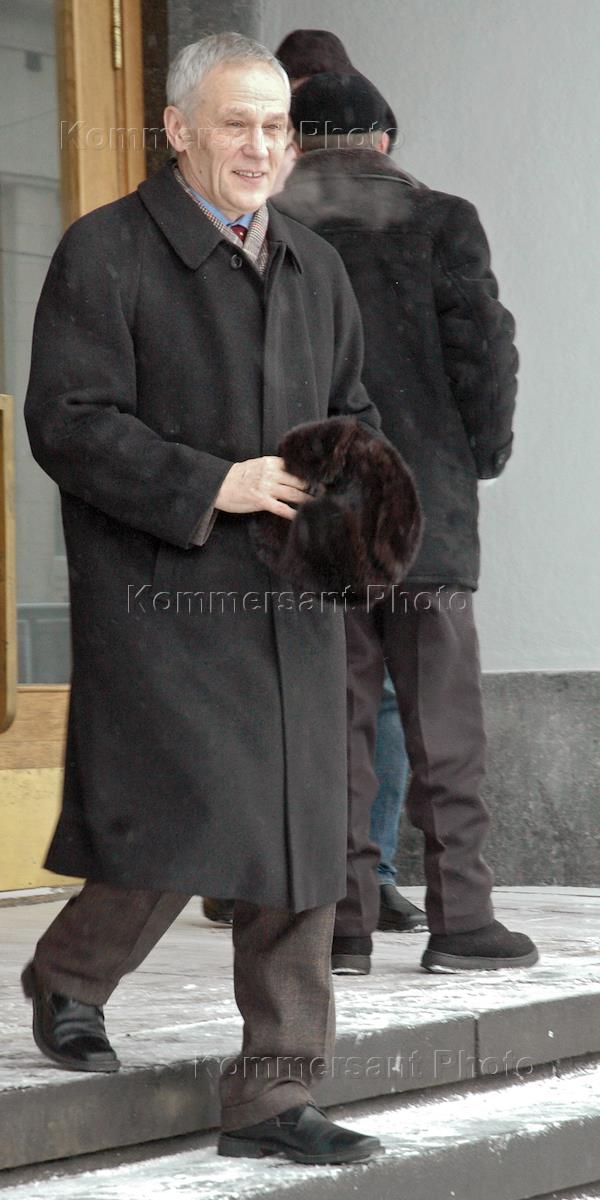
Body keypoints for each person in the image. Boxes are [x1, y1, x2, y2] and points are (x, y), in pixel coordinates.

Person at [20, 34, 386, 1166]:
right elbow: (67, 421)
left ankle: (276, 1093)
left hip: (293, 598)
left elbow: (354, 412)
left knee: (299, 833)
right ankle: (70, 973)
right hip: (165, 591)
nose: (261, 147)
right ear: (177, 129)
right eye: (238, 124)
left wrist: (354, 496)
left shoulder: (316, 265)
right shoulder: (106, 252)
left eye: (277, 127)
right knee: (184, 813)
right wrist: (209, 483)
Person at [276, 70, 539, 975]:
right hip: (428, 513)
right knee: (446, 732)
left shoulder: (271, 227)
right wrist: (481, 458)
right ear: (383, 140)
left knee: (336, 726)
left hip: (315, 513)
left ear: (296, 141)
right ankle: (462, 921)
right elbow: (485, 354)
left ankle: (344, 928)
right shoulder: (443, 220)